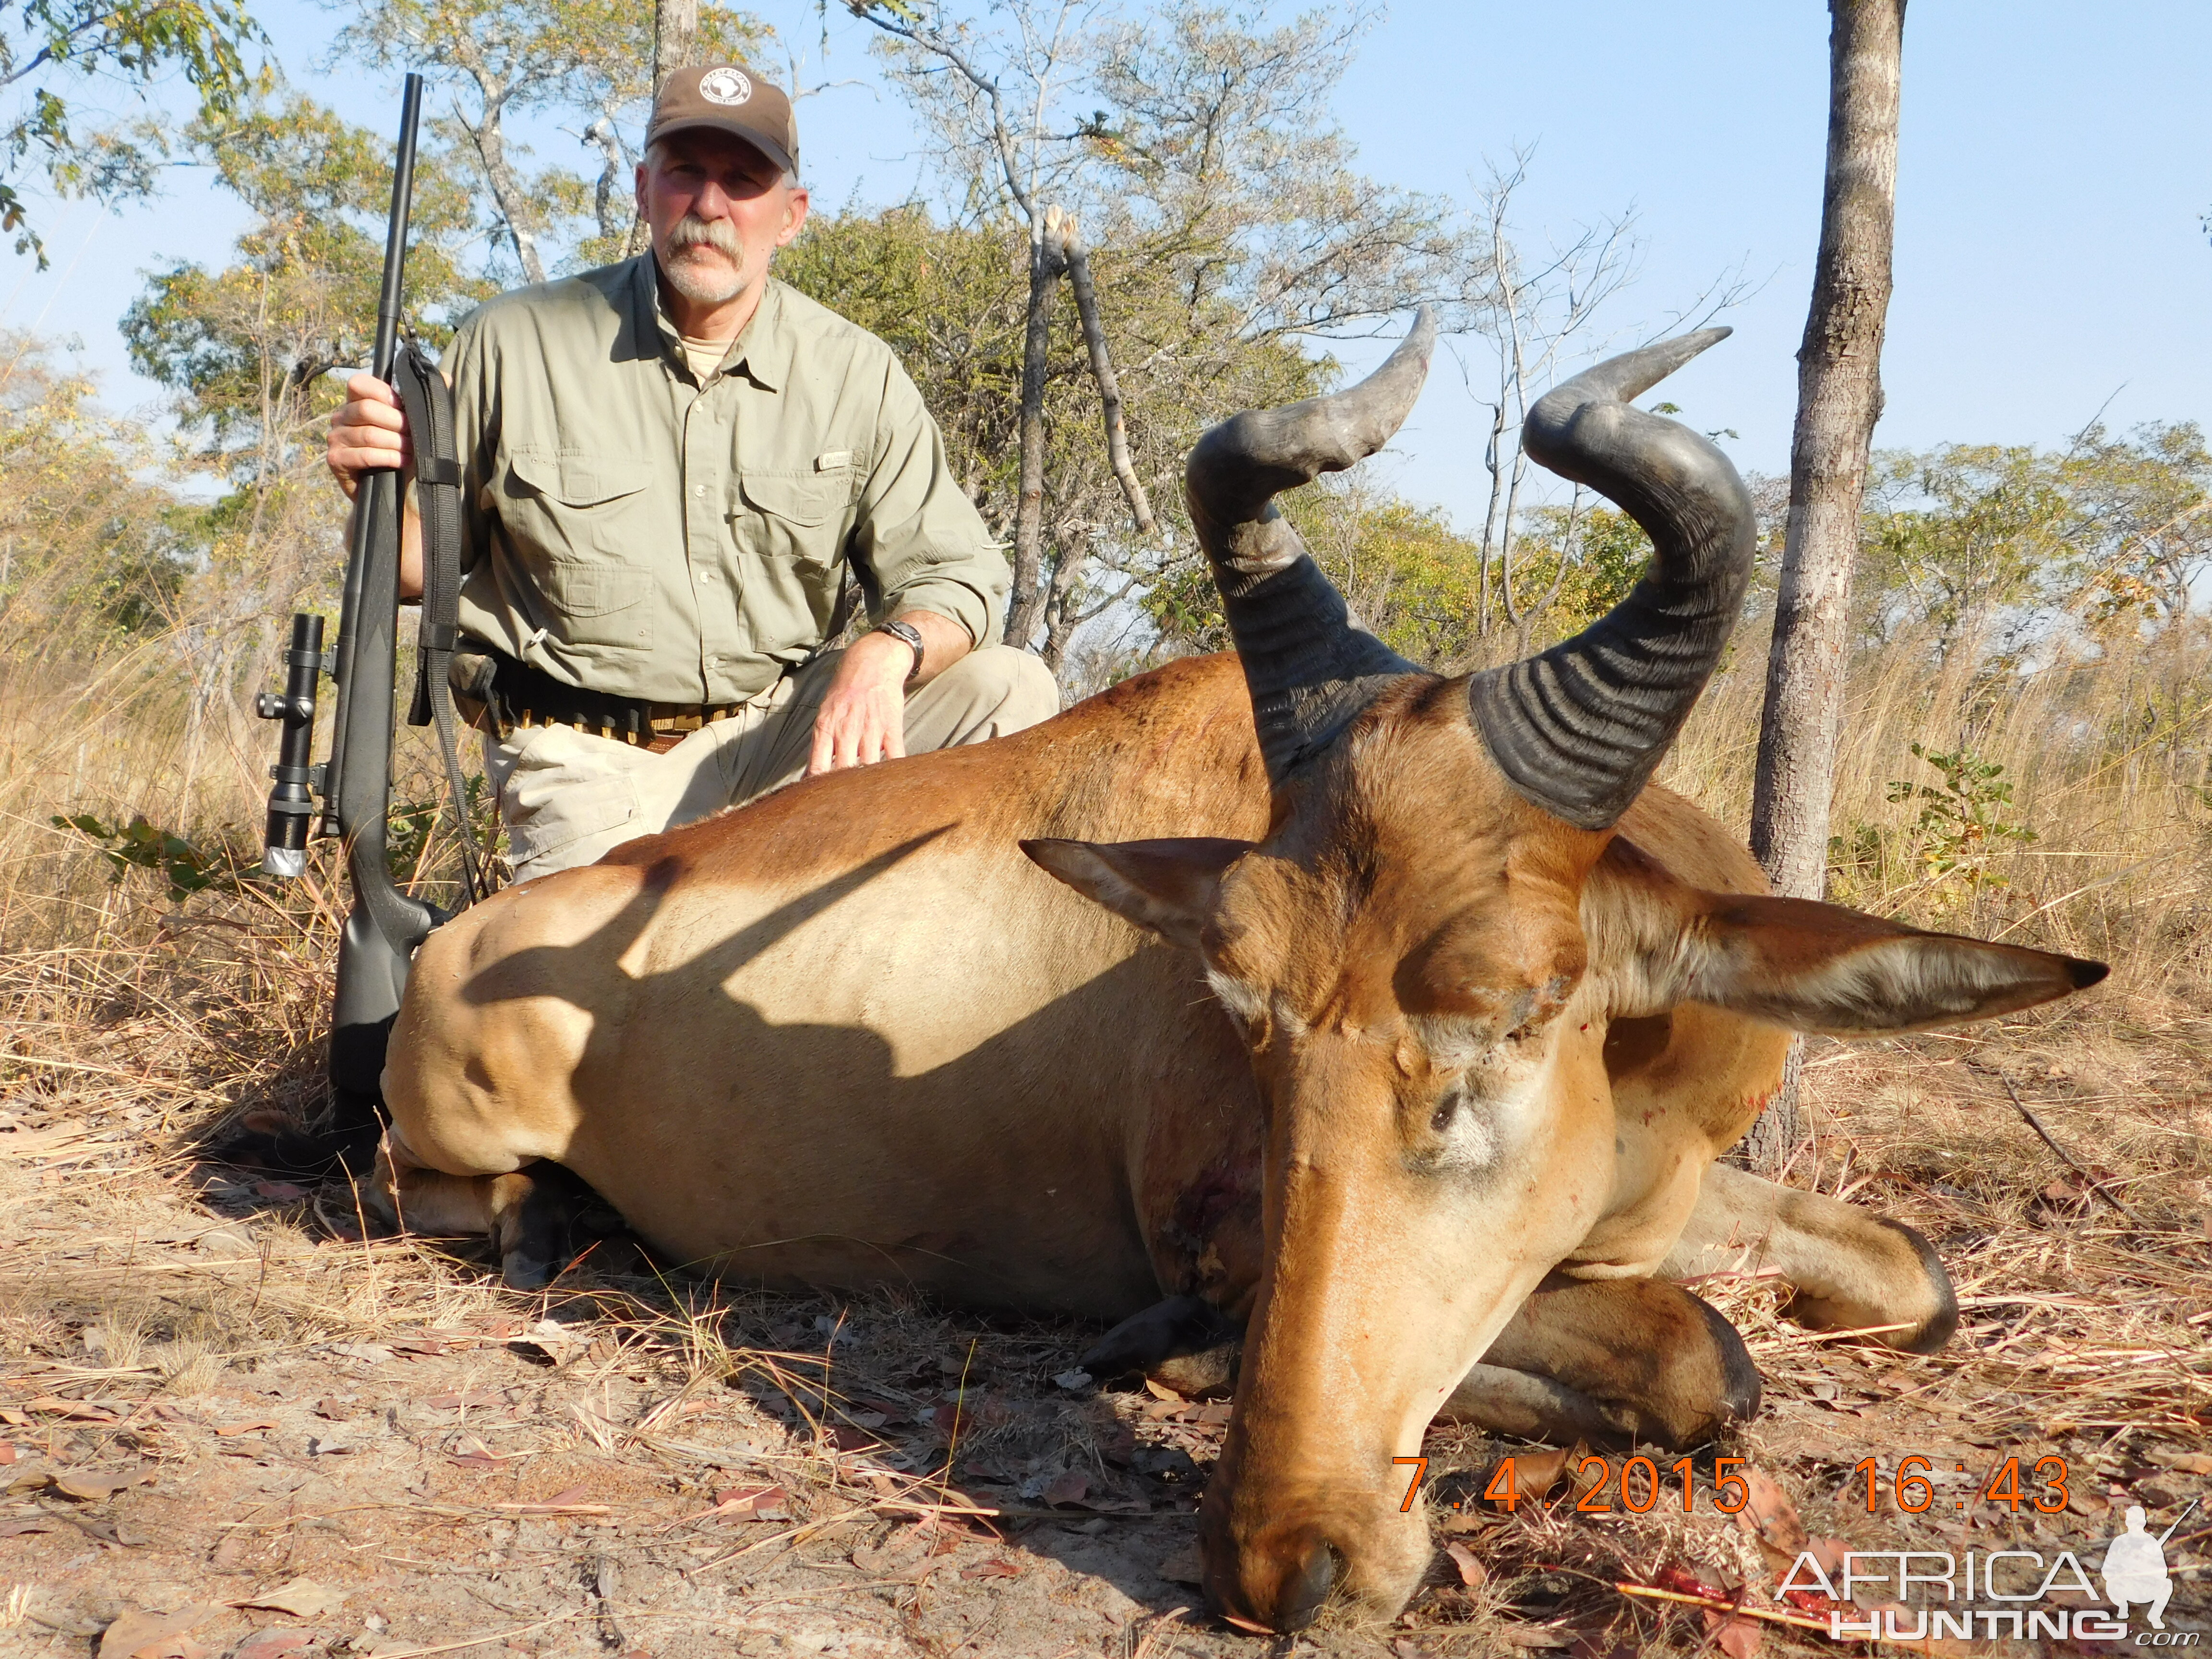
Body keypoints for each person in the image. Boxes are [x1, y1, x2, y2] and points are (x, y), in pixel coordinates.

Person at [325, 62, 1059, 879]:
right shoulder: (513, 342)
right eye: (686, 174)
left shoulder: (855, 371)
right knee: (625, 993)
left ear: (792, 216)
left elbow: (956, 573)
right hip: (589, 762)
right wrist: (375, 487)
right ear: (644, 190)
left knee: (1010, 690)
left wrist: (887, 651)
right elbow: (413, 572)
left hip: (779, 739)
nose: (710, 206)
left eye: (743, 181)